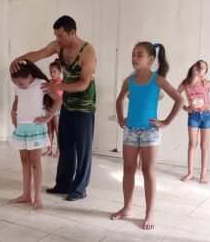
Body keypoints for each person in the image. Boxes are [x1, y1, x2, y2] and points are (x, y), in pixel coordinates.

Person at [10, 15, 96, 201]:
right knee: (65, 145)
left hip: (84, 106)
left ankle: (79, 189)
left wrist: (59, 87)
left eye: (60, 35)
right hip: (67, 103)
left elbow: (83, 84)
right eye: (56, 35)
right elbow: (38, 54)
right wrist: (18, 60)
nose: (57, 39)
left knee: (83, 149)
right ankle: (63, 184)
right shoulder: (58, 46)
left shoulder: (87, 51)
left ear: (72, 32)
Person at [111, 42, 183, 230]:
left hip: (150, 131)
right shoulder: (130, 81)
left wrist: (166, 122)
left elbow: (179, 99)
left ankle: (149, 213)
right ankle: (127, 207)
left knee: (148, 170)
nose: (134, 58)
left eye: (139, 55)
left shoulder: (157, 80)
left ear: (150, 60)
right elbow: (119, 100)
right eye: (133, 54)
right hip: (131, 130)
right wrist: (120, 118)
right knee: (128, 169)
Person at [9, 60, 62, 210]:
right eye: (16, 84)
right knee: (24, 162)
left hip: (35, 128)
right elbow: (17, 99)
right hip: (21, 127)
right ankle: (26, 194)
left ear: (29, 75)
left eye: (21, 83)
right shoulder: (18, 86)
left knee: (35, 163)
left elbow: (58, 100)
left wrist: (48, 118)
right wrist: (13, 111)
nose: (19, 86)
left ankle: (37, 197)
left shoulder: (41, 83)